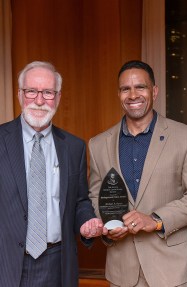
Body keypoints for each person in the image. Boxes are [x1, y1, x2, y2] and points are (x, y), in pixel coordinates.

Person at [88, 60, 187, 287]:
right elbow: (97, 197)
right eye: (126, 89)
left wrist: (155, 220)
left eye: (140, 87)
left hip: (172, 270)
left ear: (154, 91)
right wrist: (110, 226)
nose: (133, 94)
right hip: (122, 271)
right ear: (119, 94)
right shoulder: (98, 145)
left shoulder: (186, 137)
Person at [0, 61, 105, 287]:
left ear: (57, 97)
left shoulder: (74, 147)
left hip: (57, 263)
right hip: (6, 262)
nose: (39, 100)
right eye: (31, 91)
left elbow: (80, 201)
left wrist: (87, 221)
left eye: (47, 92)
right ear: (19, 94)